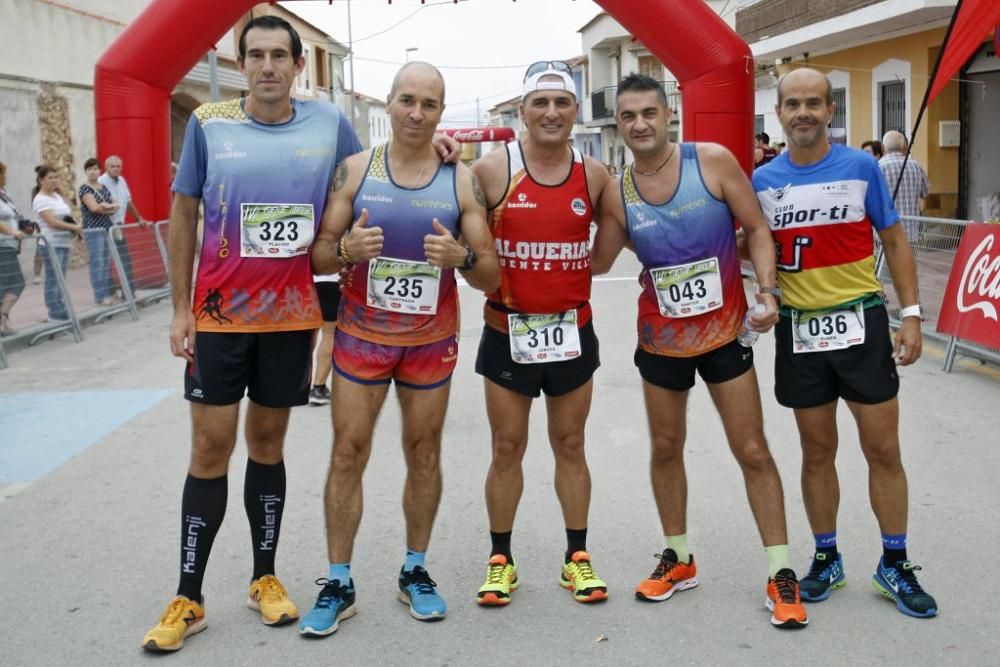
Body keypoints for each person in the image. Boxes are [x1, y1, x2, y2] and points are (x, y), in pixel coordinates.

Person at [142, 16, 364, 653]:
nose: (267, 66)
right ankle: (190, 593)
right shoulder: (210, 123)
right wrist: (180, 308)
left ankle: (264, 578)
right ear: (241, 66)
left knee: (267, 447)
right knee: (210, 450)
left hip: (292, 319)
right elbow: (185, 212)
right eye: (255, 55)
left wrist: (436, 149)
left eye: (279, 56)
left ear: (298, 65)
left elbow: (371, 172)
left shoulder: (328, 124)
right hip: (217, 319)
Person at [591, 73, 808, 629]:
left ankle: (781, 570)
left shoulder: (710, 161)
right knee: (666, 446)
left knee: (752, 448)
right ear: (620, 125)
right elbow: (595, 263)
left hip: (724, 334)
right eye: (628, 116)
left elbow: (757, 228)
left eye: (649, 113)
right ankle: (679, 557)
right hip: (660, 339)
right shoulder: (618, 190)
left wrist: (767, 291)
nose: (639, 124)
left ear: (669, 116)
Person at [298, 61, 499, 637]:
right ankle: (339, 580)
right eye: (407, 100)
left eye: (429, 104)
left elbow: (490, 275)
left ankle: (416, 569)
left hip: (429, 343)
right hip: (362, 338)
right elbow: (317, 256)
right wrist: (345, 252)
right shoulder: (357, 170)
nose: (417, 113)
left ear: (442, 112)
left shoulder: (460, 179)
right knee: (347, 452)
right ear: (389, 104)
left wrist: (461, 260)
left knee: (424, 452)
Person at [753, 67, 937, 619]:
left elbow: (895, 240)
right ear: (780, 113)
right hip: (800, 331)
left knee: (883, 450)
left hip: (860, 325)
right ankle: (826, 557)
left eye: (814, 103)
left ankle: (895, 563)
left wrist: (911, 315)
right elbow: (750, 247)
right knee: (817, 451)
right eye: (793, 104)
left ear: (830, 111)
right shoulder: (762, 181)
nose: (803, 112)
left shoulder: (860, 166)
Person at [469, 61, 611, 607]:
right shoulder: (490, 170)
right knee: (508, 446)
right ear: (522, 112)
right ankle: (500, 559)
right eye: (540, 103)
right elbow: (457, 214)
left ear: (575, 112)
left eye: (562, 103)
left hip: (572, 332)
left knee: (570, 444)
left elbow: (617, 233)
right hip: (507, 331)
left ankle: (577, 557)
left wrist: (588, 267)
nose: (551, 113)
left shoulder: (592, 174)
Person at [31, 165, 81, 322]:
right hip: (51, 243)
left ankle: (61, 309)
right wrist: (74, 227)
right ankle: (55, 313)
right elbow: (51, 222)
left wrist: (74, 226)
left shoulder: (57, 196)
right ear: (41, 180)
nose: (54, 180)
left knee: (61, 277)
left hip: (63, 242)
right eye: (50, 178)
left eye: (55, 177)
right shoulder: (40, 199)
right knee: (53, 278)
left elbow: (66, 214)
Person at [99, 154, 148, 293]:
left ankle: (129, 291)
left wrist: (139, 218)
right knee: (107, 261)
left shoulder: (122, 180)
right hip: (106, 226)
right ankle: (109, 291)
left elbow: (128, 202)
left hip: (119, 226)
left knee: (125, 258)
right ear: (106, 167)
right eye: (112, 166)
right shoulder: (100, 182)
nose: (116, 169)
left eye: (118, 166)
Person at [79, 157, 119, 306]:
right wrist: (107, 207)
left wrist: (106, 206)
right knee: (98, 263)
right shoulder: (85, 188)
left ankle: (107, 293)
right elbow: (93, 208)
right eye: (89, 169)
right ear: (85, 172)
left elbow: (116, 204)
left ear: (100, 170)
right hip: (93, 230)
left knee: (107, 262)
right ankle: (100, 296)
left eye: (95, 168)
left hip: (107, 229)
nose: (93, 172)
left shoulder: (103, 187)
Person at [879, 130, 930, 243]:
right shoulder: (916, 166)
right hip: (911, 233)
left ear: (883, 148)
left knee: (886, 261)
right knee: (910, 261)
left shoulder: (878, 167)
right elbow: (925, 192)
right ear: (904, 147)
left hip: (886, 232)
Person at [0, 160, 30, 335]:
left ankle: (3, 322)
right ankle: (2, 317)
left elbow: (13, 215)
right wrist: (12, 231)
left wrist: (23, 226)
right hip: (3, 244)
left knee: (6, 284)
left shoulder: (4, 195)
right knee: (16, 282)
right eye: (2, 174)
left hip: (9, 244)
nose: (5, 177)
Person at [308, 272, 340, 406]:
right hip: (334, 281)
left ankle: (299, 386)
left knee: (308, 334)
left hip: (308, 280)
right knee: (330, 332)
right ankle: (318, 388)